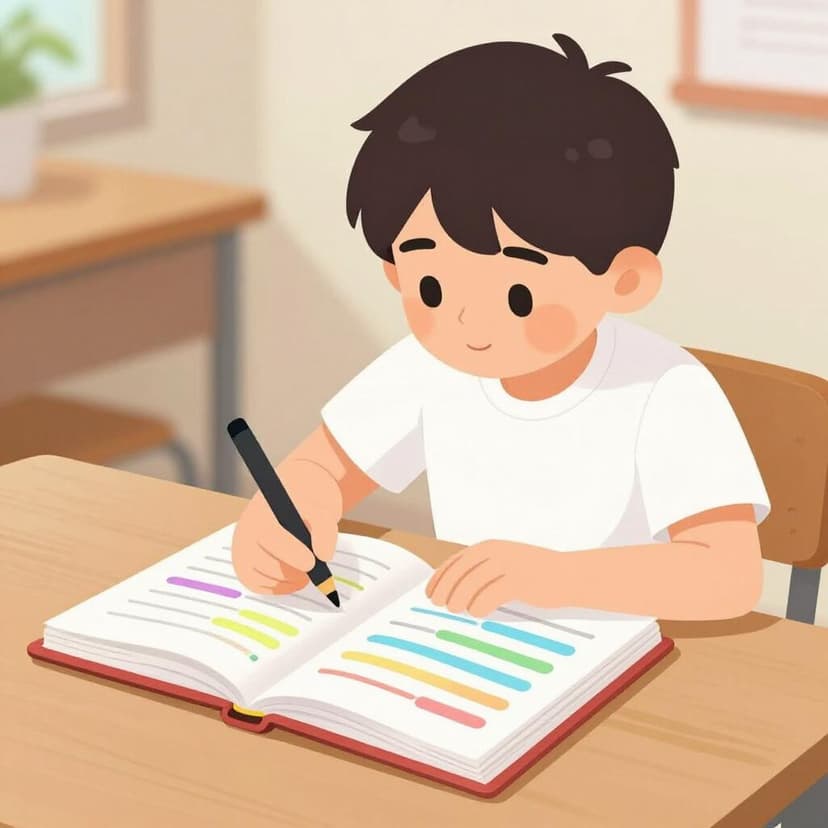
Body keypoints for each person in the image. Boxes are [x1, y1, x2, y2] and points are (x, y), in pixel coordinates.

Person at [232, 34, 770, 620]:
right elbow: (322, 468)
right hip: (481, 644)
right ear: (396, 273)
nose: (466, 320)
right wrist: (288, 513)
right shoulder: (427, 366)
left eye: (518, 296)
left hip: (627, 656)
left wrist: (558, 576)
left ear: (625, 281)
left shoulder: (666, 390)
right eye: (432, 288)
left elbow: (729, 576)